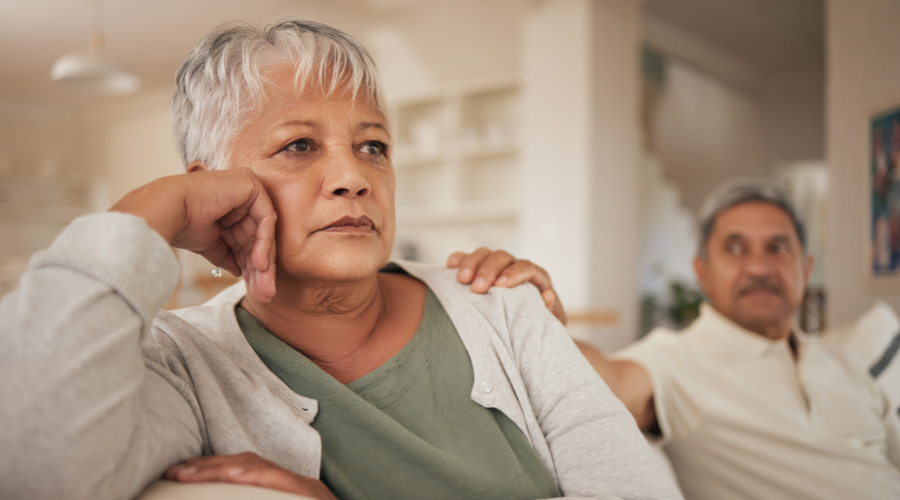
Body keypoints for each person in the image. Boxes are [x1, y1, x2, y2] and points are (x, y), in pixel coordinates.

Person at [0, 20, 680, 500]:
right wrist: (149, 212)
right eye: (299, 145)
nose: (354, 176)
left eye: (373, 146)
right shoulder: (184, 364)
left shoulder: (501, 304)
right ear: (212, 185)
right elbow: (37, 468)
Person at [570, 182, 900, 499]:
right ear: (703, 273)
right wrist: (540, 316)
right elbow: (607, 382)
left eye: (778, 248)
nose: (758, 267)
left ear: (805, 268)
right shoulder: (674, 360)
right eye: (735, 249)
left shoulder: (845, 363)